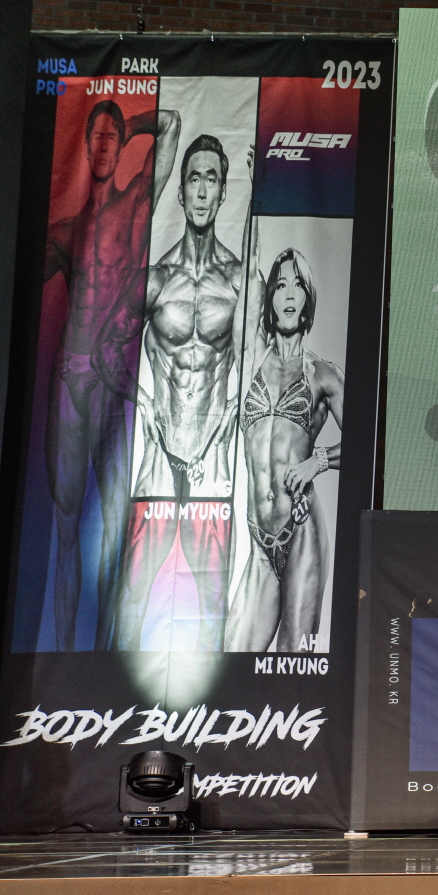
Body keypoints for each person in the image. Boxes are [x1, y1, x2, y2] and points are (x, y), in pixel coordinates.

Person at [44, 101, 179, 650]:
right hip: (69, 380)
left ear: (121, 146)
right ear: (83, 147)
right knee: (66, 526)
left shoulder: (137, 205)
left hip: (114, 383)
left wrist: (127, 124)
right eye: (95, 137)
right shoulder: (63, 232)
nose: (102, 147)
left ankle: (103, 657)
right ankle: (63, 656)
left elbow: (170, 124)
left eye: (111, 138)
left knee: (120, 527)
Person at [110, 133, 246, 651]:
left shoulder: (238, 282)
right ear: (182, 191)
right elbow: (101, 350)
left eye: (212, 179)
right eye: (194, 178)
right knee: (132, 598)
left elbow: (264, 356)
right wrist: (141, 401)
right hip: (160, 462)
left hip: (212, 463)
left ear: (224, 191)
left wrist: (236, 409)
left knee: (212, 606)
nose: (203, 190)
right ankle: (112, 696)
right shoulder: (155, 280)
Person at [226, 248, 344, 653]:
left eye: (298, 285)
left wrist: (318, 461)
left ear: (308, 298)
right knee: (233, 662)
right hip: (260, 543)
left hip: (301, 533)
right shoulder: (251, 359)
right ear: (270, 299)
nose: (290, 294)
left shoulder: (323, 374)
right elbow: (246, 280)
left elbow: (367, 444)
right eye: (280, 286)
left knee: (293, 665)